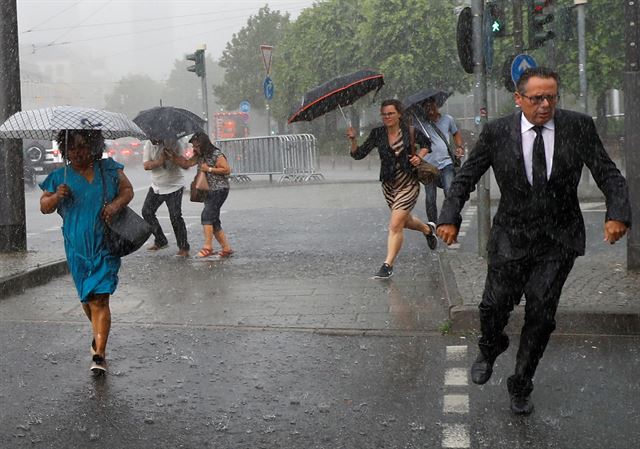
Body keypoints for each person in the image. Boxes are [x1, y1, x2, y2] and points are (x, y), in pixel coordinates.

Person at [437, 67, 631, 415]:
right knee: (493, 306)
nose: (545, 105)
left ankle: (521, 383)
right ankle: (491, 344)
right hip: (511, 235)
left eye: (551, 97)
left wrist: (617, 213)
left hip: (558, 239)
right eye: (536, 98)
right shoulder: (497, 132)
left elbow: (608, 173)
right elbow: (465, 177)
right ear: (518, 98)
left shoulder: (578, 126)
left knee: (541, 313)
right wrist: (449, 216)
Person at [40, 129, 134, 374]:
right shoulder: (60, 177)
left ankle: (99, 355)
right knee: (87, 299)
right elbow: (44, 207)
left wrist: (114, 205)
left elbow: (127, 191)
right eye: (71, 147)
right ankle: (98, 333)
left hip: (104, 246)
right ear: (64, 150)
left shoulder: (109, 169)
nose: (77, 152)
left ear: (94, 146)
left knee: (100, 297)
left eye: (82, 146)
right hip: (76, 249)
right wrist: (56, 196)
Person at [347, 99, 438, 280]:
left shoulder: (410, 131)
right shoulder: (378, 134)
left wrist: (419, 157)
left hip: (409, 182)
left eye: (390, 113)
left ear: (399, 114)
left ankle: (387, 265)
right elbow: (358, 154)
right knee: (403, 221)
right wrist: (353, 140)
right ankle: (428, 230)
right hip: (389, 184)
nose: (387, 117)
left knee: (395, 224)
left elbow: (428, 143)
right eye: (384, 114)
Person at [168, 132, 233, 258]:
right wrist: (173, 156)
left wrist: (208, 169)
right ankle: (226, 248)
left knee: (207, 216)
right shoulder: (199, 155)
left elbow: (226, 169)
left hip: (219, 189)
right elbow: (187, 164)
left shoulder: (216, 154)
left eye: (196, 146)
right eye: (193, 146)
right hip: (208, 190)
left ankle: (208, 247)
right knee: (213, 221)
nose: (194, 149)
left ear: (202, 144)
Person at [414, 98, 465, 223]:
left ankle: (449, 220)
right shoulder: (419, 124)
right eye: (427, 107)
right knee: (430, 198)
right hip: (427, 166)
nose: (430, 110)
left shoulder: (448, 119)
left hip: (446, 163)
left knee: (449, 192)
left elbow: (456, 134)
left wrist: (459, 147)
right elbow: (413, 141)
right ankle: (433, 225)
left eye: (432, 107)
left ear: (437, 106)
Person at [141, 137, 190, 257]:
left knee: (175, 216)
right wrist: (160, 161)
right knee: (147, 212)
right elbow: (146, 165)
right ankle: (160, 240)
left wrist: (173, 157)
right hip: (156, 185)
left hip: (174, 185)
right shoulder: (149, 144)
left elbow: (186, 165)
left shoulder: (176, 143)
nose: (153, 141)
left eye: (155, 138)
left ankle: (184, 247)